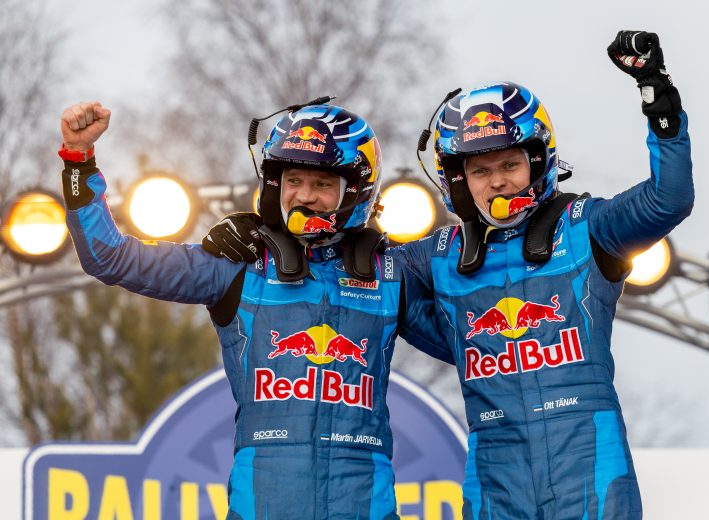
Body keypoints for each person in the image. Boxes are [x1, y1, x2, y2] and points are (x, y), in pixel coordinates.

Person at [202, 30, 693, 519]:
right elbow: (340, 268)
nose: (497, 182)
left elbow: (667, 199)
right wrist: (261, 230)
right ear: (458, 183)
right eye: (480, 171)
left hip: (590, 469)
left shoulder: (587, 229)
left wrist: (658, 98)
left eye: (509, 164)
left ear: (538, 161)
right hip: (495, 483)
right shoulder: (434, 257)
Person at [59, 102, 450, 520]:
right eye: (293, 180)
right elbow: (110, 258)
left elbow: (479, 348)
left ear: (357, 191)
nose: (304, 195)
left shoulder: (391, 275)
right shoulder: (237, 266)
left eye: (322, 183)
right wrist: (79, 161)